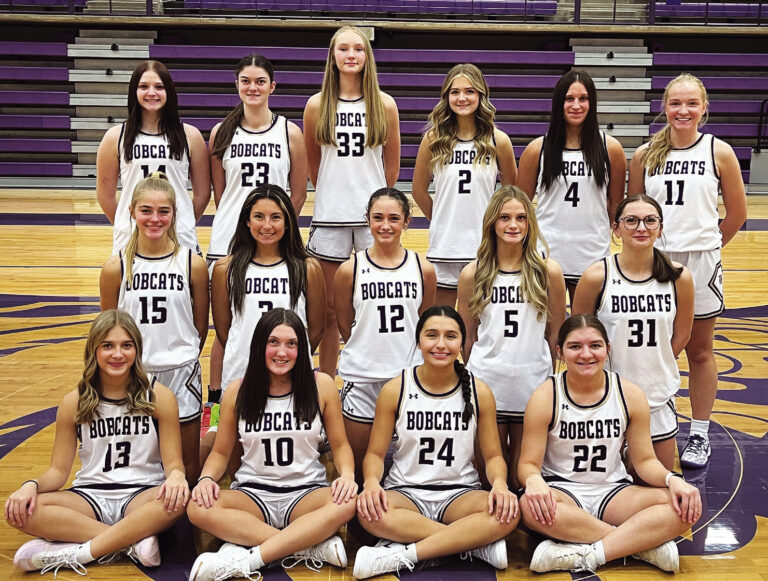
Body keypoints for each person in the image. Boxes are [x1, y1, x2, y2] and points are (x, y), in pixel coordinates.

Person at [5, 310, 189, 576]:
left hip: (142, 495)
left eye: (127, 345)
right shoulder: (74, 402)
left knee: (179, 501)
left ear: (137, 349)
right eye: (108, 346)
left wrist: (177, 477)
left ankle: (80, 552)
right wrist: (29, 486)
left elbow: (174, 464)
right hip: (90, 495)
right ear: (94, 350)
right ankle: (129, 543)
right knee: (21, 510)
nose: (118, 354)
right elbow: (58, 472)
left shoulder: (159, 396)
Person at [518, 315, 701, 574]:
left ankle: (588, 554)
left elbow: (645, 461)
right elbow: (527, 464)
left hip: (614, 492)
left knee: (683, 506)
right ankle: (638, 546)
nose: (586, 354)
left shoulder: (629, 394)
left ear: (608, 349)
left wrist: (673, 480)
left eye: (595, 345)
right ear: (560, 352)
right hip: (563, 492)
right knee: (528, 506)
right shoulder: (546, 396)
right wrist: (533, 480)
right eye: (575, 346)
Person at [627, 73, 747, 468]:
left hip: (701, 262)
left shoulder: (719, 151)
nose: (683, 110)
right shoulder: (645, 154)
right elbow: (634, 211)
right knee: (650, 347)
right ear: (664, 107)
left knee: (699, 349)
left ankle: (699, 433)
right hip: (655, 260)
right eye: (676, 103)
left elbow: (737, 214)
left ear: (704, 108)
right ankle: (643, 425)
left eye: (691, 103)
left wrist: (708, 247)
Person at [187, 309, 357, 581]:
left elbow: (340, 445)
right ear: (259, 346)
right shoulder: (237, 391)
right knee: (197, 506)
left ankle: (249, 557)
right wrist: (206, 479)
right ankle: (305, 546)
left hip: (306, 493)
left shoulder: (321, 386)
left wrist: (347, 476)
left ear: (301, 349)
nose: (282, 352)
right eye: (273, 342)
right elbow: (220, 452)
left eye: (292, 344)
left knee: (348, 502)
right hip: (253, 494)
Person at [353, 306, 519, 579]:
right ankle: (470, 546)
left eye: (450, 336)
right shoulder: (396, 389)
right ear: (419, 341)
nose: (441, 344)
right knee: (368, 512)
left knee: (509, 513)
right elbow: (375, 454)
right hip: (406, 493)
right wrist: (371, 482)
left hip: (460, 495)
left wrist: (500, 484)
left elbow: (493, 457)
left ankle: (404, 554)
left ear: (462, 343)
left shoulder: (480, 391)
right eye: (432, 335)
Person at [207, 54, 309, 395]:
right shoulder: (221, 133)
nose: (253, 87)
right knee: (228, 326)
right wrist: (244, 230)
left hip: (273, 237)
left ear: (272, 86)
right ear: (237, 85)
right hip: (229, 240)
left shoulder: (289, 132)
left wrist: (273, 230)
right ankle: (217, 402)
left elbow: (297, 194)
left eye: (260, 81)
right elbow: (221, 194)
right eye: (246, 81)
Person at [100, 172, 209, 484]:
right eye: (146, 210)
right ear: (132, 211)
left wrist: (181, 353)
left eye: (163, 211)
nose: (155, 219)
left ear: (174, 213)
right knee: (139, 462)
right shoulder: (115, 267)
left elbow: (200, 327)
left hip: (181, 371)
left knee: (188, 466)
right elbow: (108, 333)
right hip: (135, 373)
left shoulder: (192, 264)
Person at [303, 26, 401, 375]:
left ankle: (374, 374)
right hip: (330, 217)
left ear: (367, 56)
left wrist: (373, 203)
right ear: (332, 56)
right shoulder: (317, 105)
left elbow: (391, 169)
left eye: (358, 49)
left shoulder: (384, 104)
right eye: (343, 48)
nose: (351, 55)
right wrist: (336, 194)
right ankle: (329, 383)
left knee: (372, 303)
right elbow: (314, 166)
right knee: (329, 309)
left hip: (373, 220)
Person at [573, 194, 694, 470]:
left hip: (657, 397)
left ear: (660, 228)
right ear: (616, 229)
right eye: (631, 221)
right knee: (604, 484)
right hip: (606, 397)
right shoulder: (596, 277)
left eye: (650, 221)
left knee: (658, 485)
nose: (641, 227)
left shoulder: (679, 277)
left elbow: (682, 336)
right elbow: (580, 339)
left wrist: (655, 363)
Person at [457, 186, 566, 487]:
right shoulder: (473, 273)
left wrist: (546, 376)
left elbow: (555, 333)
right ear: (492, 222)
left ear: (530, 222)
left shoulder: (548, 271)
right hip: (487, 382)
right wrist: (475, 378)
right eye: (505, 217)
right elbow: (467, 337)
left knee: (522, 480)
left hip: (532, 383)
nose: (513, 225)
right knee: (488, 481)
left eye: (521, 217)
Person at [334, 187, 436, 482]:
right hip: (363, 379)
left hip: (408, 379)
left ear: (407, 221)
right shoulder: (350, 270)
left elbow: (425, 324)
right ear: (367, 219)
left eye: (394, 218)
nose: (385, 225)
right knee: (357, 472)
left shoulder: (423, 269)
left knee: (413, 471)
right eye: (378, 217)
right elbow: (346, 324)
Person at [412, 63, 518, 308]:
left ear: (481, 95)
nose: (462, 98)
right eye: (455, 92)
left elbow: (510, 196)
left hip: (484, 247)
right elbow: (418, 191)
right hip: (444, 246)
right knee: (443, 321)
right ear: (446, 96)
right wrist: (442, 218)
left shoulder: (498, 141)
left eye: (469, 91)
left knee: (478, 323)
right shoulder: (433, 140)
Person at [517, 70, 626, 302]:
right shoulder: (537, 149)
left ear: (592, 103)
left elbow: (615, 206)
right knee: (546, 323)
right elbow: (519, 207)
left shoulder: (611, 149)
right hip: (546, 254)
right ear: (559, 103)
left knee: (587, 323)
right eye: (569, 99)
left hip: (592, 254)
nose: (576, 105)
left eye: (583, 98)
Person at [210, 184, 325, 395]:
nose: (267, 225)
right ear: (247, 221)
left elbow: (316, 330)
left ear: (288, 222)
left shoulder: (307, 268)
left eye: (276, 217)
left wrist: (288, 355)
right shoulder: (225, 269)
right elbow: (224, 331)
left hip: (293, 376)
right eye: (259, 216)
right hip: (241, 373)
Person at [96, 60, 210, 255]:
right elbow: (105, 196)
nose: (151, 92)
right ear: (134, 91)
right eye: (143, 87)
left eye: (159, 87)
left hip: (180, 238)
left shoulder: (190, 135)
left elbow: (202, 195)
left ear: (169, 92)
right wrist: (129, 224)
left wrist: (182, 222)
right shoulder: (115, 137)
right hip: (131, 240)